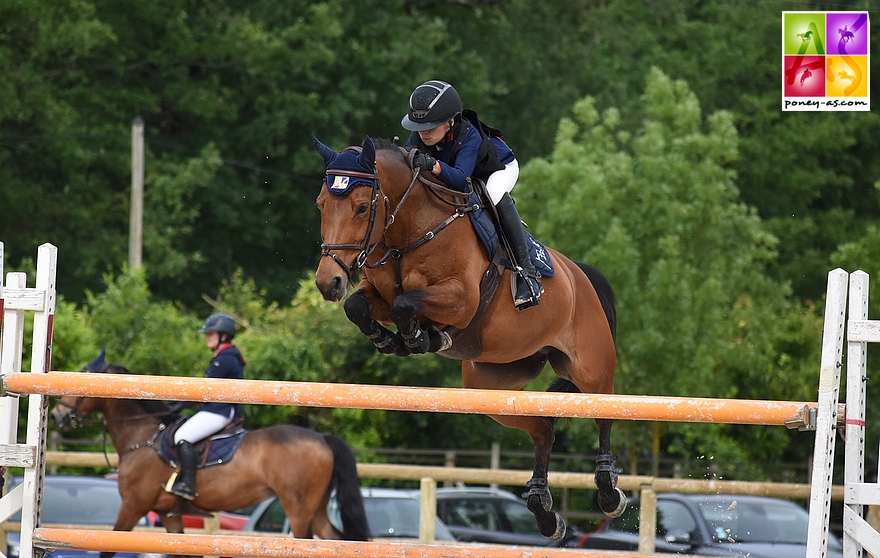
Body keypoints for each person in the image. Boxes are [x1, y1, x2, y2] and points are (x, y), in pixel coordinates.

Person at [401, 79, 543, 310]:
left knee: (494, 193)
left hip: (498, 168)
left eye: (430, 126)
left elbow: (459, 179)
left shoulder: (469, 135)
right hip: (460, 170)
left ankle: (527, 273)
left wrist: (434, 165)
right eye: (419, 127)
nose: (423, 133)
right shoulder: (420, 134)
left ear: (450, 122)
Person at [168, 312, 245, 500]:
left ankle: (188, 484)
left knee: (182, 436)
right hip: (217, 408)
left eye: (211, 333)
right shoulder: (225, 355)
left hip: (220, 410)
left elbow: (206, 390)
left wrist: (181, 405)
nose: (207, 337)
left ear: (223, 336)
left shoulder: (225, 358)